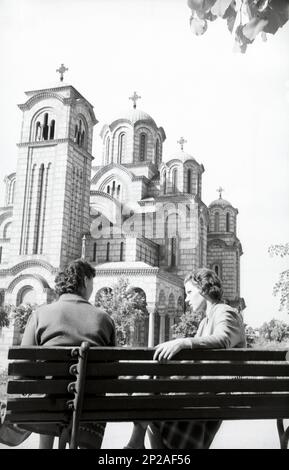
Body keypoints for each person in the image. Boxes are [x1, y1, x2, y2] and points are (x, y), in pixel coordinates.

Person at [124, 267, 246, 449]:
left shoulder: (224, 311)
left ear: (204, 290)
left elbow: (224, 339)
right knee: (154, 401)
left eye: (190, 292)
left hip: (211, 395)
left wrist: (183, 342)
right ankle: (138, 441)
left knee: (155, 382)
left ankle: (135, 442)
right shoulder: (206, 321)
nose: (187, 299)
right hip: (203, 391)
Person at [0, 259, 116, 449]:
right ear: (86, 280)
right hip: (90, 413)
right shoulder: (104, 319)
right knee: (79, 401)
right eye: (92, 283)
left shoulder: (40, 314)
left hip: (47, 411)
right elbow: (113, 374)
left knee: (49, 395)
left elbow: (22, 370)